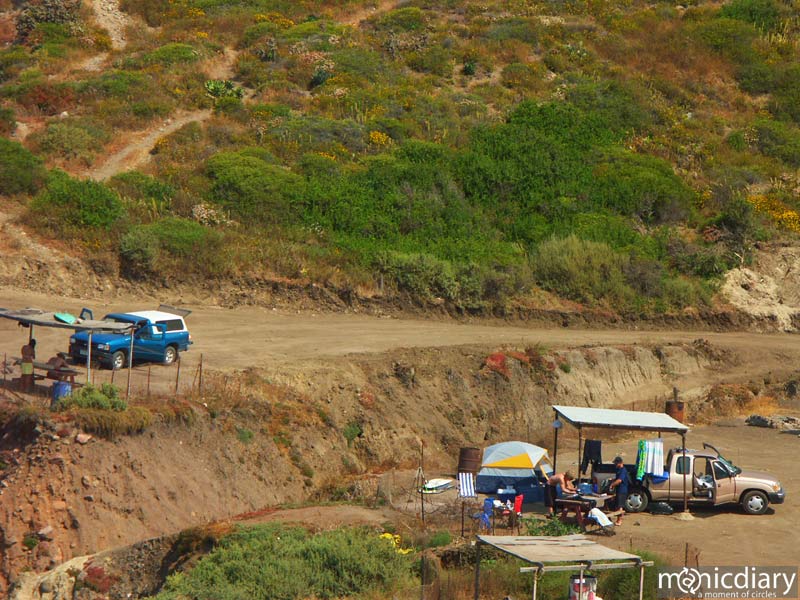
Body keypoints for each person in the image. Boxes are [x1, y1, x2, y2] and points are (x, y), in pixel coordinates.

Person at [609, 456, 631, 526]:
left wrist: (612, 484)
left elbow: (619, 480)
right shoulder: (619, 470)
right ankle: (618, 520)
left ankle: (619, 520)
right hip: (619, 490)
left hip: (622, 490)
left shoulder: (623, 470)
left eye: (616, 463)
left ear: (620, 463)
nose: (615, 465)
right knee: (617, 505)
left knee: (620, 506)